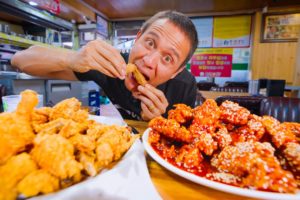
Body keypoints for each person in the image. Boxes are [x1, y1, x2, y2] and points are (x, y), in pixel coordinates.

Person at [11, 10, 198, 121]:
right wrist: (73, 58)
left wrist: (157, 123)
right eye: (149, 43)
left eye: (167, 59)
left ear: (177, 71)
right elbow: (19, 60)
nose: (148, 61)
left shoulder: (184, 87)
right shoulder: (110, 64)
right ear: (137, 38)